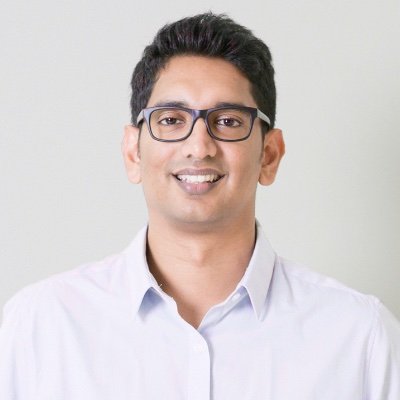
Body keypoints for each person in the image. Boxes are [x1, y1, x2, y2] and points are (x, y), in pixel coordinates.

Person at [0, 12, 399, 400]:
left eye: (227, 121)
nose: (199, 146)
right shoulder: (40, 327)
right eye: (171, 120)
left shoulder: (359, 337)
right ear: (133, 152)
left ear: (269, 155)